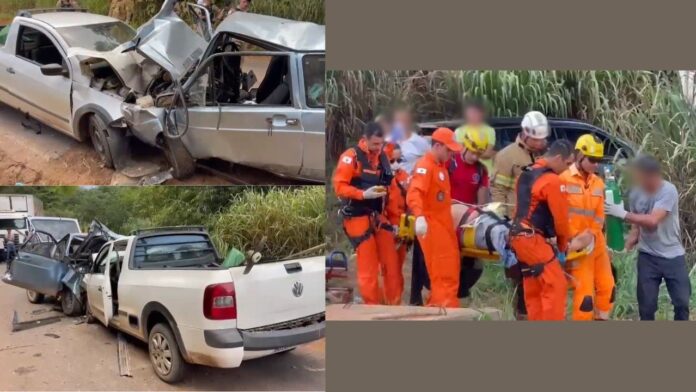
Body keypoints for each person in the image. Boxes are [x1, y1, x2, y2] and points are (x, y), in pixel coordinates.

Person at [604, 154, 691, 320]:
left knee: (682, 302)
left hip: (673, 255)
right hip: (648, 257)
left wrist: (622, 213)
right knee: (646, 306)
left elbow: (652, 221)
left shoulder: (668, 190)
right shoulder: (637, 192)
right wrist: (625, 248)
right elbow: (637, 226)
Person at [333, 122, 402, 305]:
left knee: (391, 264)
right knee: (368, 267)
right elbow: (339, 187)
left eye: (381, 144)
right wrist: (362, 194)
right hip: (357, 216)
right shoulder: (351, 157)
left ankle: (394, 307)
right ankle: (373, 308)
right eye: (375, 145)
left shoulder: (383, 159)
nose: (378, 148)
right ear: (364, 140)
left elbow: (392, 192)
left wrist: (394, 221)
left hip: (379, 216)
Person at [491, 110, 550, 319]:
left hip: (539, 222)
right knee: (521, 271)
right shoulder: (508, 157)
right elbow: (498, 191)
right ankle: (521, 312)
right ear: (525, 134)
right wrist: (504, 221)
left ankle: (537, 310)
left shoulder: (544, 155)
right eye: (536, 138)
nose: (540, 142)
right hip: (517, 222)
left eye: (542, 138)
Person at [508, 140, 574, 321]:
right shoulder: (552, 181)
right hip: (531, 238)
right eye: (568, 164)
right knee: (556, 284)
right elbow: (561, 220)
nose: (567, 169)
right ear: (559, 158)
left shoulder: (526, 174)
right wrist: (562, 245)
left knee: (534, 286)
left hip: (517, 237)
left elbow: (520, 208)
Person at [560, 135, 615, 320]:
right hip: (577, 245)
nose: (595, 165)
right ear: (579, 155)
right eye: (592, 160)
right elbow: (558, 216)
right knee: (585, 297)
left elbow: (600, 216)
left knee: (608, 288)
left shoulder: (598, 183)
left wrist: (593, 235)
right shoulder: (563, 180)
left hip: (596, 242)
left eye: (598, 161)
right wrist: (572, 241)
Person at [406, 127, 463, 308]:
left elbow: (435, 195)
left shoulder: (440, 168)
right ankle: (443, 309)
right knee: (443, 271)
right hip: (433, 226)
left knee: (450, 269)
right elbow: (414, 193)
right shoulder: (425, 166)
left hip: (443, 226)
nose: (451, 155)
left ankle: (442, 306)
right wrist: (420, 217)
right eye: (448, 150)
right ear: (437, 146)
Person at [450, 127, 490, 205]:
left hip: (468, 214)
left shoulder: (481, 170)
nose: (475, 157)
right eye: (472, 152)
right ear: (465, 146)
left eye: (479, 154)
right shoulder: (450, 161)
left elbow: (481, 204)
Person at [455, 99, 496, 173]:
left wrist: (472, 152)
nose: (473, 115)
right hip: (464, 171)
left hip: (485, 171)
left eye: (476, 113)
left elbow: (488, 153)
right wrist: (479, 152)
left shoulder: (490, 131)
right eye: (471, 113)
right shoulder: (459, 131)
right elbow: (459, 152)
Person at [392, 108, 430, 174]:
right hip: (391, 180)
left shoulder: (418, 141)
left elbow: (430, 159)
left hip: (409, 180)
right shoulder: (389, 139)